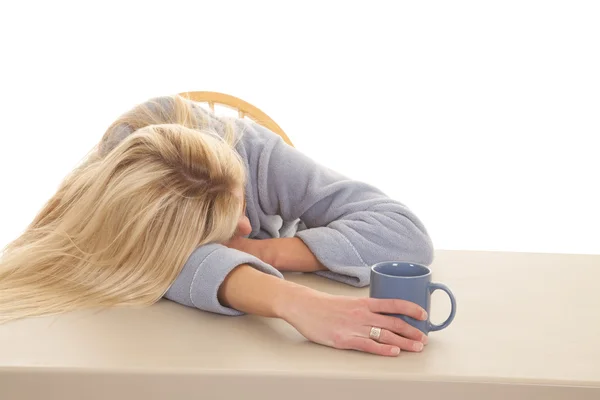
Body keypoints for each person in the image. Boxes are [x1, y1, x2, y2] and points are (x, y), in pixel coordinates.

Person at [0, 95, 434, 357]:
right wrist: (294, 301)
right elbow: (164, 264)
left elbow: (401, 232)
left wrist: (264, 253)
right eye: (220, 228)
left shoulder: (253, 152)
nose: (247, 224)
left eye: (241, 202)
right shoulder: (126, 212)